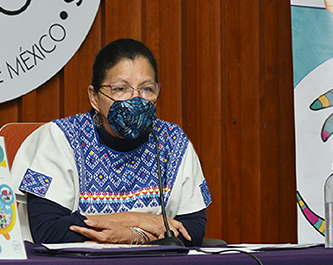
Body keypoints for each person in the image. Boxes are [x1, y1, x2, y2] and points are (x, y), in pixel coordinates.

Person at [13, 38, 211, 246]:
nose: (136, 99)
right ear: (94, 97)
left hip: (152, 264)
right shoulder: (61, 138)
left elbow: (193, 229)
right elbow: (48, 231)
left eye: (147, 89)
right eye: (121, 89)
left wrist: (132, 236)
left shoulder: (172, 140)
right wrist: (134, 220)